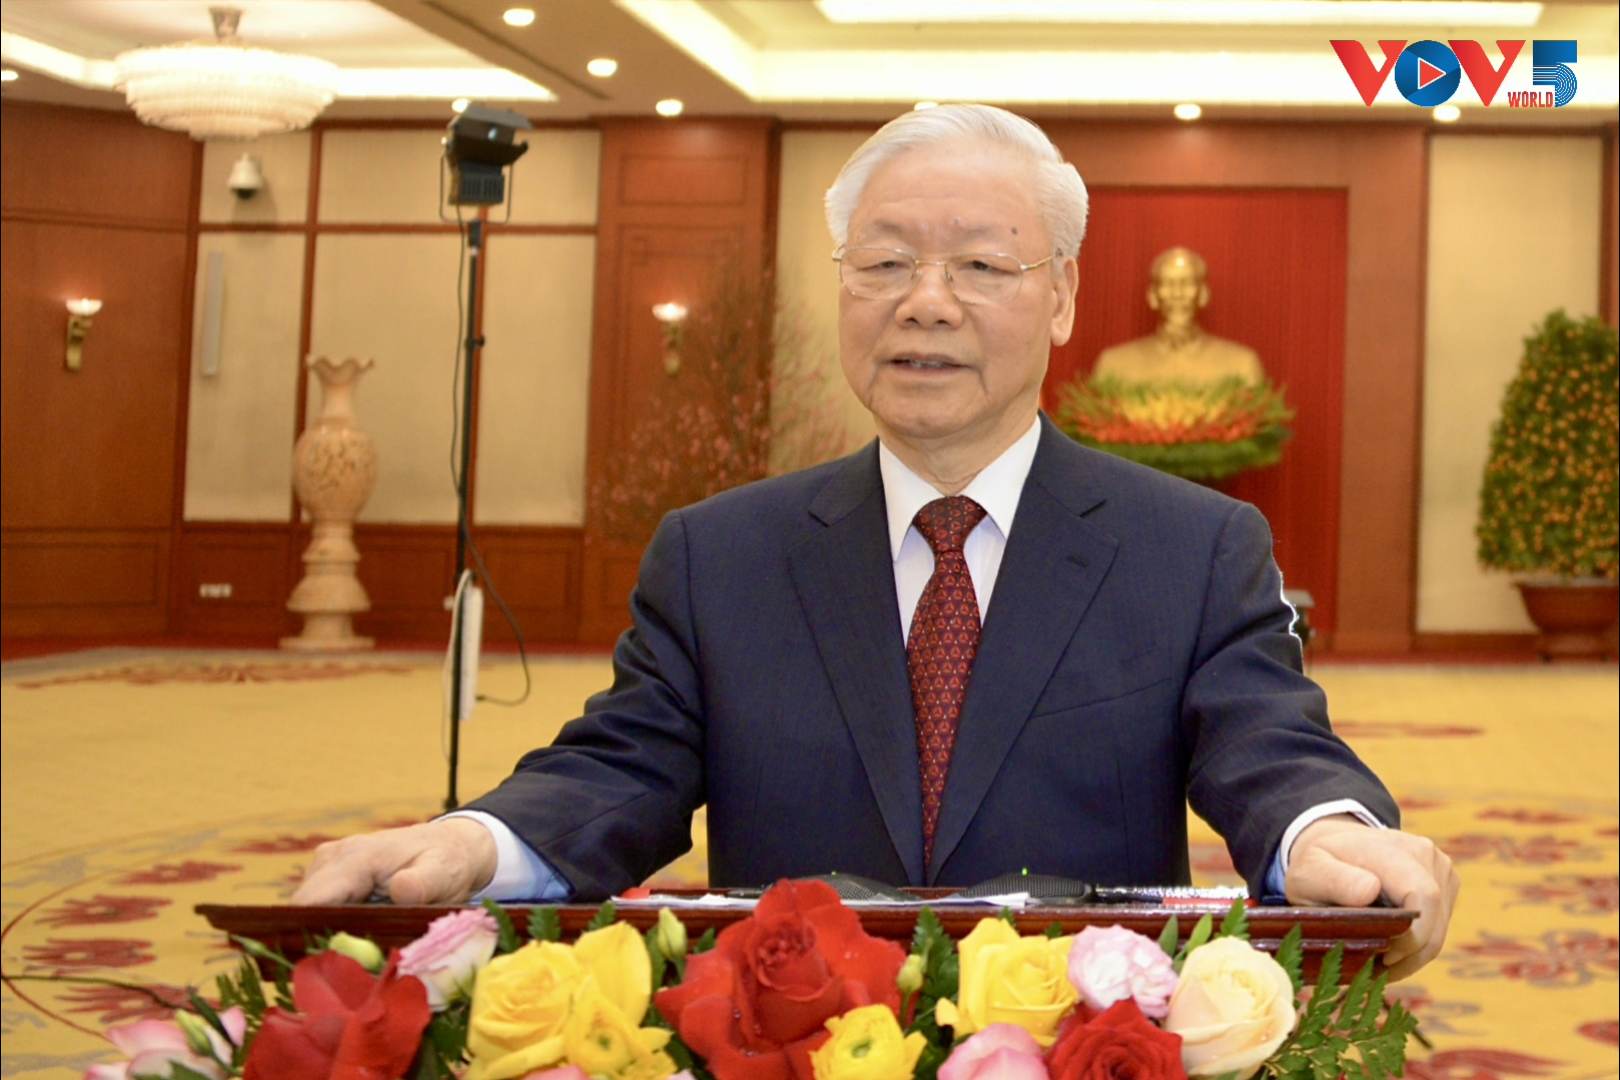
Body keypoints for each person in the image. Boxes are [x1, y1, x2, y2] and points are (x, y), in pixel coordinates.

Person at [294, 105, 1458, 980]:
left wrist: (1326, 834)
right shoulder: (720, 555)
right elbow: (623, 767)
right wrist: (476, 842)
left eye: (981, 266)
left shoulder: (1191, 547)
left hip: (1081, 1036)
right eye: (886, 263)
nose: (925, 301)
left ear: (1060, 297)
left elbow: (1267, 743)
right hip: (786, 1033)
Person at [1091, 246, 1267, 388]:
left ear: (1203, 294)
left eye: (1187, 283)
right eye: (1168, 284)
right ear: (1152, 296)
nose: (1177, 293)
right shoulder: (1114, 365)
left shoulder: (1242, 365)